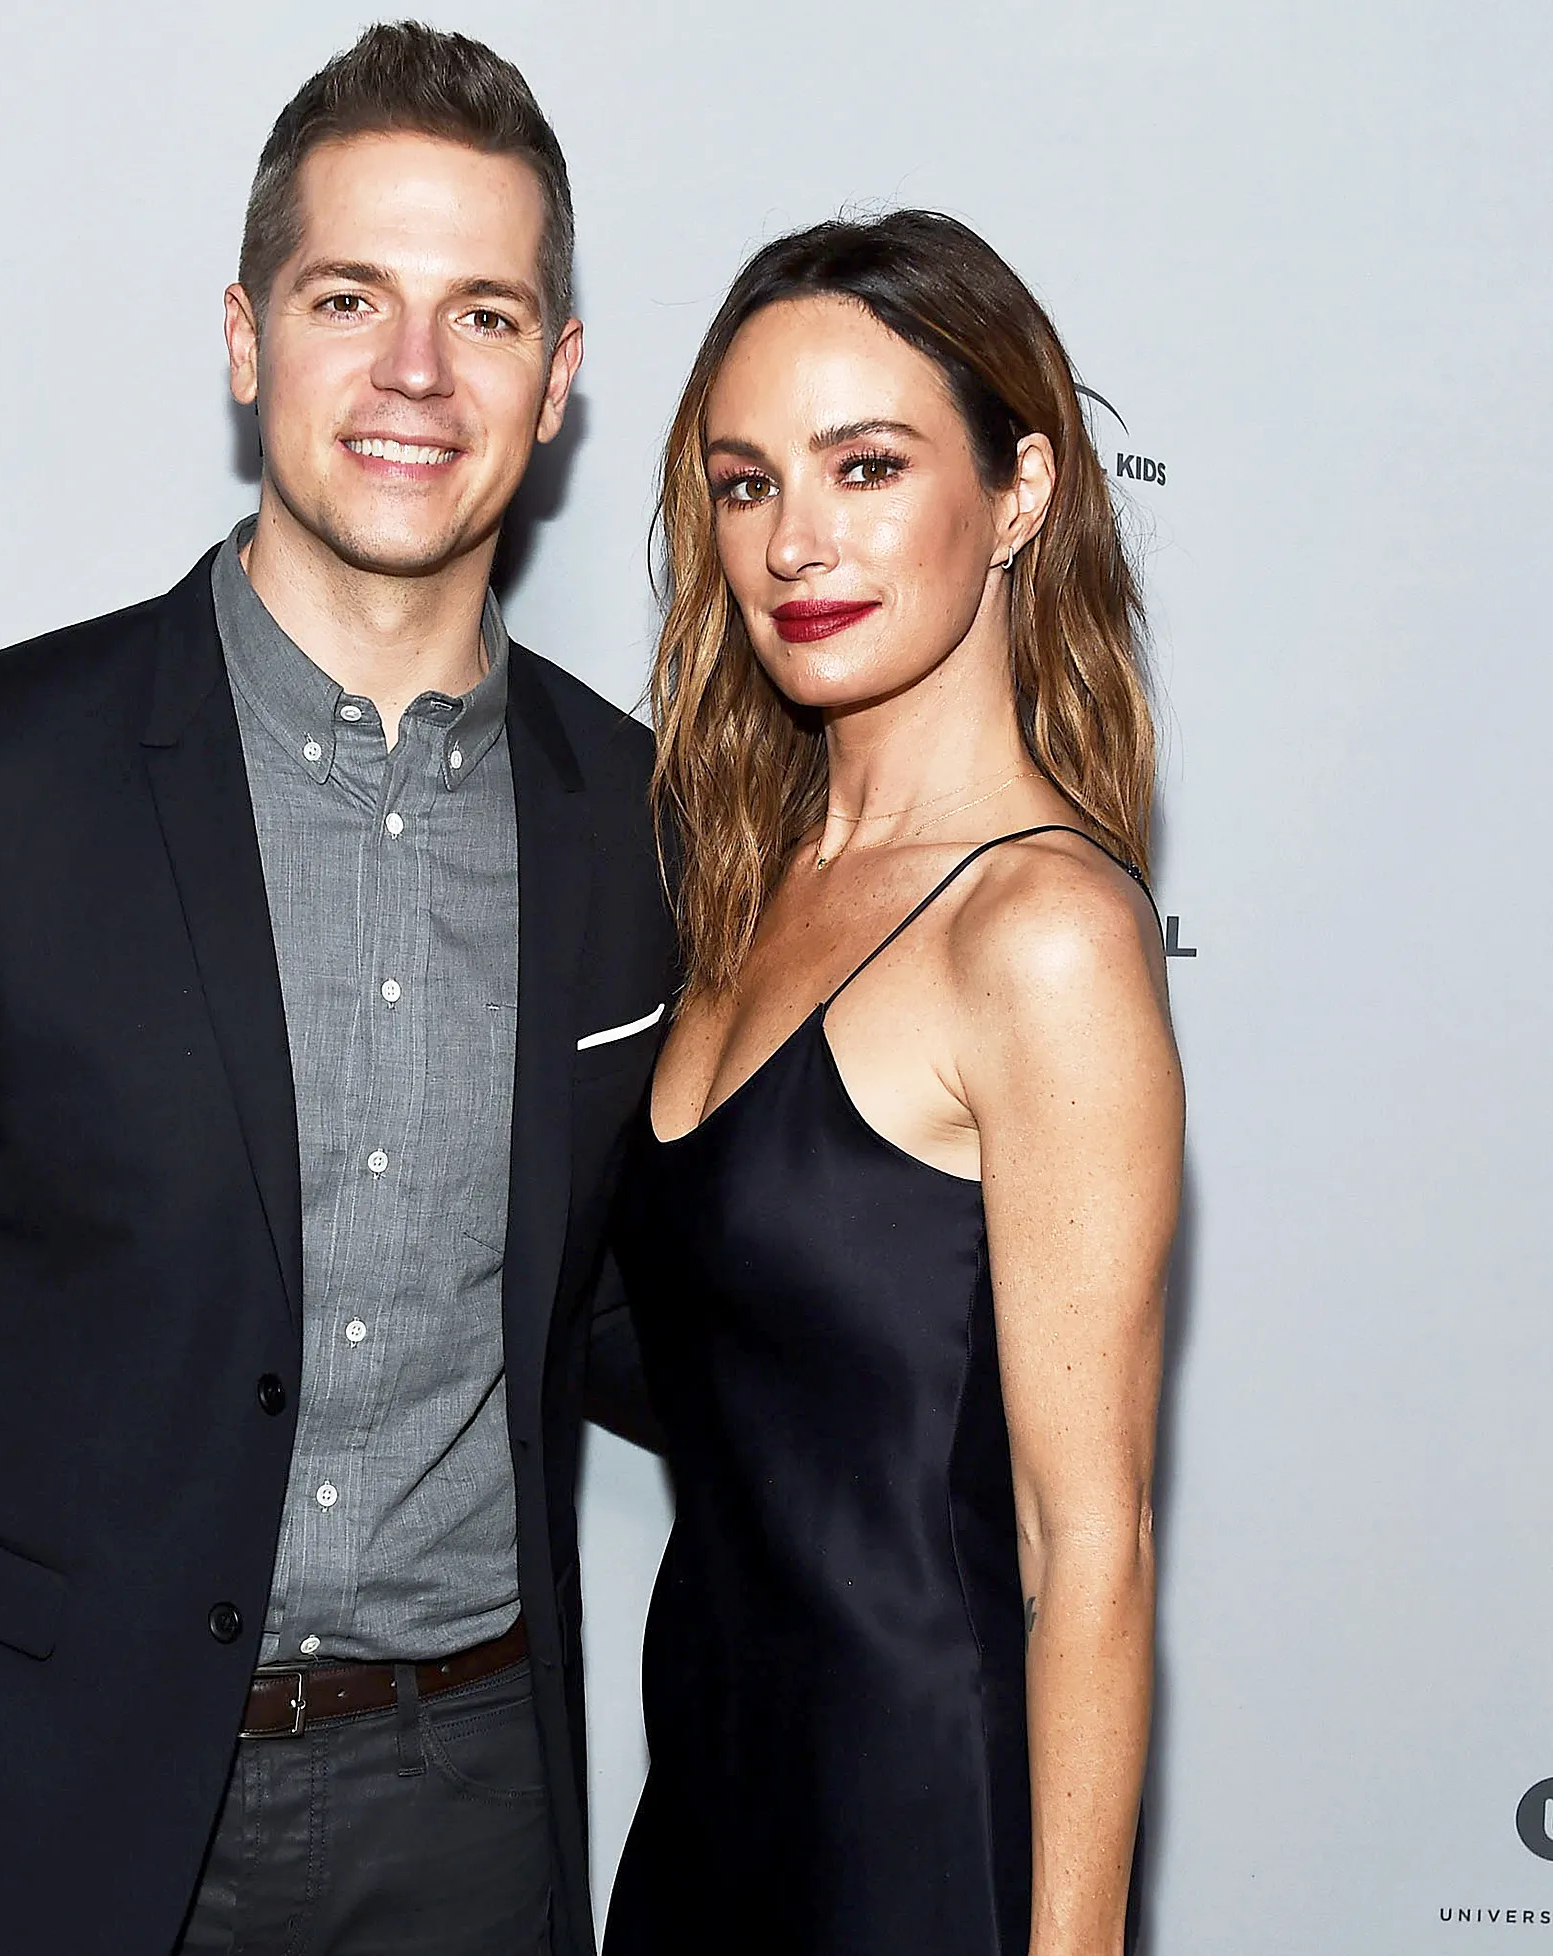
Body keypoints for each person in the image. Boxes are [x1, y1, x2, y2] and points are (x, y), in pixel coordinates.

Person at [0, 24, 675, 1956]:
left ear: (558, 378)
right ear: (246, 339)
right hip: (60, 1811)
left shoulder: (640, 826)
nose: (415, 371)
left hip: (474, 1811)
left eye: (485, 315)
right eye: (350, 298)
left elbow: (660, 1303)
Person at [604, 211, 1183, 1955]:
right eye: (746, 483)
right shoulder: (737, 883)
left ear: (1020, 492)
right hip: (698, 1825)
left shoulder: (1045, 934)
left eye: (867, 466)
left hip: (911, 1843)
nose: (796, 541)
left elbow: (1088, 1548)